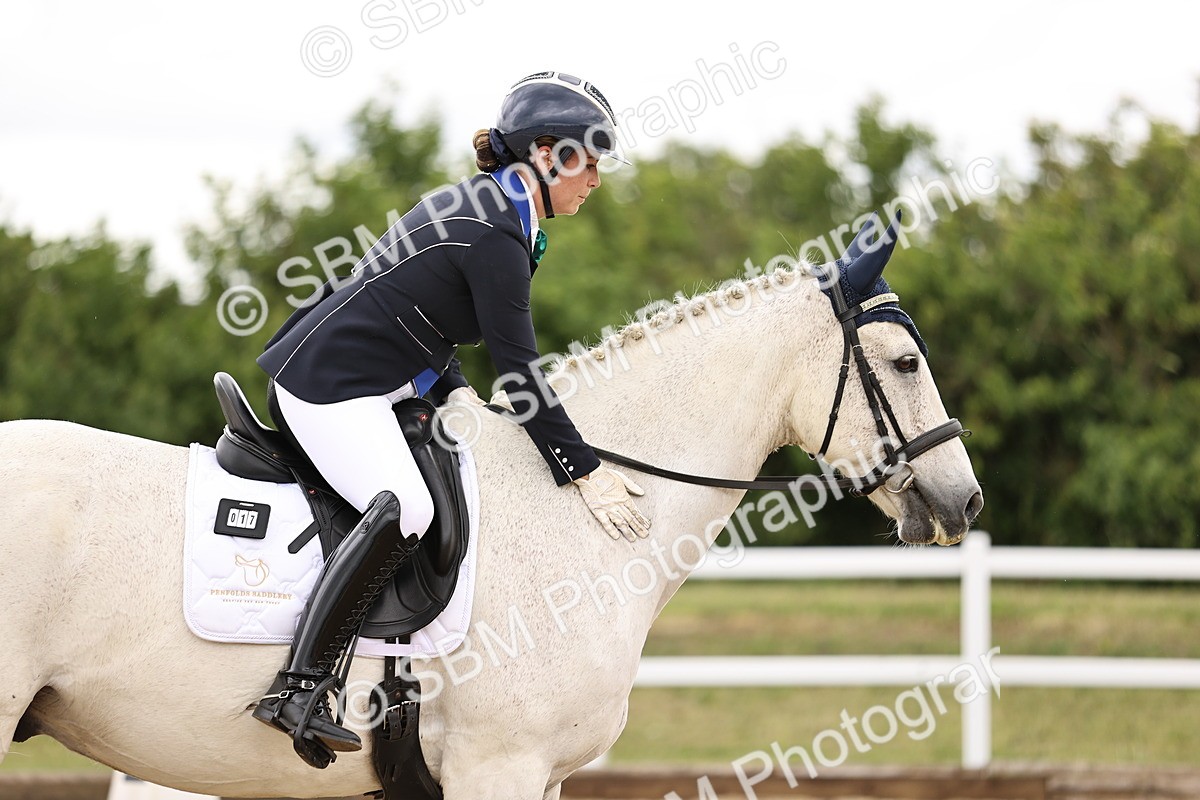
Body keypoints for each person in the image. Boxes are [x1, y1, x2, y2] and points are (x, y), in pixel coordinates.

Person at [250, 71, 652, 769]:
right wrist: (584, 471)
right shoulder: (493, 231)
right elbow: (521, 369)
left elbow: (424, 310)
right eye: (590, 162)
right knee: (404, 508)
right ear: (550, 154)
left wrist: (457, 391)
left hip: (377, 377)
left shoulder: (488, 209)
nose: (595, 180)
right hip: (334, 386)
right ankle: (300, 686)